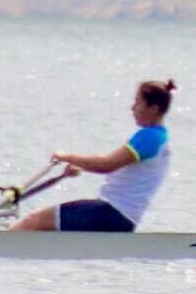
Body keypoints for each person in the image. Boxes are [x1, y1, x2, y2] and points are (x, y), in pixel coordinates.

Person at [11, 79, 176, 232]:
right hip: (121, 217)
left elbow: (105, 165)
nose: (132, 108)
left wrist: (67, 157)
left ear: (154, 108)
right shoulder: (160, 138)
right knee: (45, 226)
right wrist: (80, 166)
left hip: (112, 213)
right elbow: (118, 169)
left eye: (138, 102)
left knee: (35, 220)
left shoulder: (150, 136)